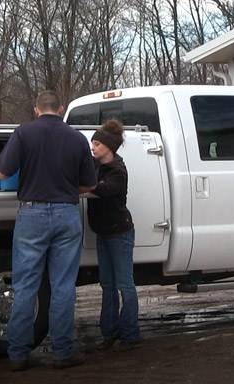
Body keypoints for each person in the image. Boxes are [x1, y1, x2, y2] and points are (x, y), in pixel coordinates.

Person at [0, 90, 97, 371]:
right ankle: (62, 353)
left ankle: (18, 355)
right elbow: (89, 184)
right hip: (66, 213)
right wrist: (62, 192)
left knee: (25, 285)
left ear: (36, 110)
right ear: (60, 109)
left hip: (32, 213)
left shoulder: (24, 133)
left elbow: (4, 170)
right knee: (63, 287)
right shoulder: (77, 138)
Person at [88, 119, 141, 352]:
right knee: (107, 284)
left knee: (124, 285)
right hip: (103, 233)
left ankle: (130, 335)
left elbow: (104, 190)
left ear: (109, 146)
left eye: (97, 144)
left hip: (120, 234)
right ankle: (109, 333)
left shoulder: (118, 171)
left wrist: (86, 184)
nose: (93, 147)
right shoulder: (95, 165)